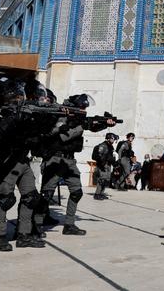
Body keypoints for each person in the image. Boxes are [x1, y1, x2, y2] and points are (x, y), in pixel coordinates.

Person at [0, 81, 47, 251]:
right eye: (17, 96)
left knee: (31, 197)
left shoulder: (25, 112)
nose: (20, 98)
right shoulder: (2, 113)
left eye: (21, 95)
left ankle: (23, 235)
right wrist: (13, 118)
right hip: (7, 160)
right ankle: (0, 237)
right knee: (6, 199)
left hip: (23, 160)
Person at [39, 93, 115, 235]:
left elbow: (92, 125)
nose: (84, 109)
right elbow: (62, 135)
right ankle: (36, 224)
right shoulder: (60, 114)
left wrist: (106, 123)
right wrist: (79, 126)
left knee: (76, 192)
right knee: (46, 194)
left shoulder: (78, 119)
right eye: (82, 107)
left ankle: (69, 224)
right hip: (55, 159)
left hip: (69, 161)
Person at [93, 133, 119, 200]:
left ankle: (101, 193)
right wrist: (101, 164)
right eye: (113, 139)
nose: (114, 140)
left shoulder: (110, 146)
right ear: (108, 138)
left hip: (108, 165)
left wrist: (115, 164)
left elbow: (111, 156)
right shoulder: (103, 145)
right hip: (103, 165)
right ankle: (97, 194)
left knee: (106, 180)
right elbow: (99, 156)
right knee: (101, 179)